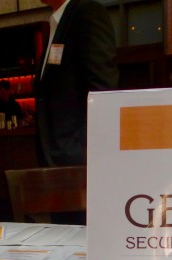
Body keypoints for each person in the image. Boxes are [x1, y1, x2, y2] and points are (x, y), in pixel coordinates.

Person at [34, 0, 119, 167]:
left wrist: (83, 148)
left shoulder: (87, 12)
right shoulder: (58, 22)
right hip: (55, 157)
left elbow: (104, 90)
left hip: (78, 159)